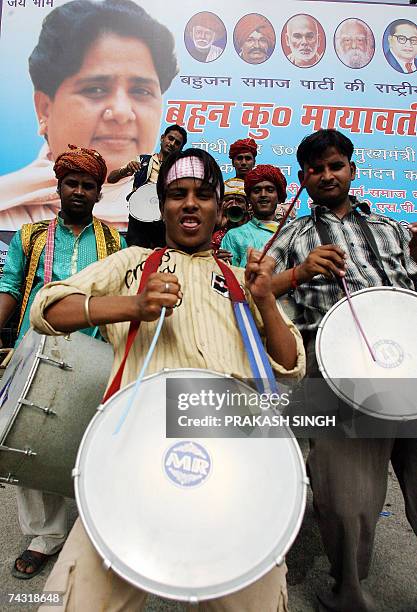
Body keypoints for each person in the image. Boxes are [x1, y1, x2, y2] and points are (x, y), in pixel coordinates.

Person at [30, 148, 305, 611]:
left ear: (219, 207)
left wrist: (266, 302)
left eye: (202, 195)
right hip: (130, 461)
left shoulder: (240, 280)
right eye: (177, 195)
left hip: (235, 468)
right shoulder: (133, 264)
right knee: (71, 603)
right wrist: (132, 306)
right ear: (162, 208)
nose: (190, 204)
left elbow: (290, 363)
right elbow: (48, 310)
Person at [268, 129, 417, 612]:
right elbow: (258, 288)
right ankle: (348, 593)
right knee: (345, 501)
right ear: (303, 178)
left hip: (407, 364)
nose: (328, 175)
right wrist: (300, 271)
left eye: (336, 165)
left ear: (352, 170)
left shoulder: (394, 229)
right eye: (317, 169)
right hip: (335, 374)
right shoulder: (292, 235)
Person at [0, 145, 126, 579]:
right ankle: (44, 536)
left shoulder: (115, 242)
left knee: (90, 442)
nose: (78, 191)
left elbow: (116, 301)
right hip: (33, 353)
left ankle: (94, 525)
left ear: (97, 194)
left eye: (87, 185)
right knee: (30, 441)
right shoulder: (30, 236)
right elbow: (11, 285)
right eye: (71, 183)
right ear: (58, 187)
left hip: (93, 357)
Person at [0, 0, 178, 231]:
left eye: (141, 91)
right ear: (44, 108)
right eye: (95, 89)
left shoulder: (173, 214)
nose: (122, 113)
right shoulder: (8, 209)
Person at [107, 124, 187, 248]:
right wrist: (125, 170)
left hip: (165, 221)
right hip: (138, 219)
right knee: (135, 258)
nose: (172, 144)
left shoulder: (180, 169)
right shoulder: (142, 160)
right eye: (170, 138)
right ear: (162, 138)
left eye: (177, 143)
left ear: (180, 148)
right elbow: (111, 179)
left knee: (162, 260)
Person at [221, 165, 287, 268]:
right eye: (257, 191)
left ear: (279, 197)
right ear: (249, 199)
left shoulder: (292, 231)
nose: (263, 195)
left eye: (269, 190)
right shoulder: (234, 236)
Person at [211, 179, 249, 258]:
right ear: (220, 204)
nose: (234, 204)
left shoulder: (254, 228)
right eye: (228, 200)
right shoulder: (210, 228)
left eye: (239, 200)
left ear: (247, 207)